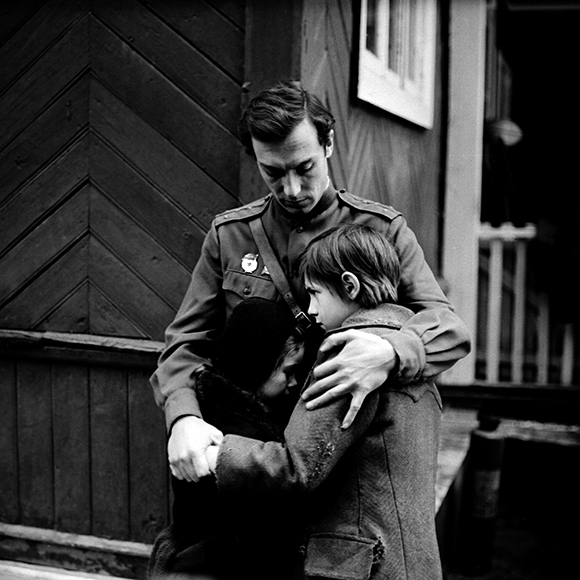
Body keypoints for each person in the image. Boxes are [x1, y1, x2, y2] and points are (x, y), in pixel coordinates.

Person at [150, 80, 471, 485]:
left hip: (338, 464)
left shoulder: (381, 230)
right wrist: (183, 417)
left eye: (305, 168)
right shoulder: (230, 235)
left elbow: (449, 329)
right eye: (273, 172)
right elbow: (184, 344)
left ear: (328, 144)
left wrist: (392, 353)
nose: (292, 189)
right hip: (243, 456)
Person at [206, 223, 446, 579]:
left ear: (349, 286)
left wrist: (215, 454)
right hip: (414, 561)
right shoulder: (411, 352)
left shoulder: (350, 354)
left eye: (315, 293)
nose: (311, 309)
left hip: (362, 566)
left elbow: (297, 468)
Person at [148, 298, 308, 579]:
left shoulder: (213, 403)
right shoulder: (230, 432)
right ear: (258, 365)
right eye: (288, 371)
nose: (294, 383)